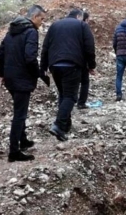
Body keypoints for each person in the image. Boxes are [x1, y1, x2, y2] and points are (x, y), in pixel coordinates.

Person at [0, 5, 46, 162]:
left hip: (10, 78)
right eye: (42, 19)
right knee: (20, 114)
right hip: (22, 79)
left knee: (19, 109)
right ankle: (14, 151)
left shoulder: (12, 30)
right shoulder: (31, 32)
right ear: (35, 17)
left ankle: (22, 140)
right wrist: (36, 74)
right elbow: (30, 58)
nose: (42, 23)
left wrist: (3, 74)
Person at [40, 8, 96, 141]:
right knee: (70, 96)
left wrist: (43, 67)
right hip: (72, 65)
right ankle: (58, 125)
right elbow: (89, 46)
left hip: (54, 65)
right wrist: (91, 65)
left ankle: (65, 126)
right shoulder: (82, 25)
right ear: (79, 16)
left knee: (63, 95)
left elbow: (45, 46)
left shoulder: (55, 25)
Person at [77, 11, 91, 109]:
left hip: (70, 60)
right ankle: (81, 102)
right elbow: (89, 47)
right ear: (85, 19)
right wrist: (91, 65)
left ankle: (67, 101)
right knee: (85, 82)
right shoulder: (84, 27)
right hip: (81, 60)